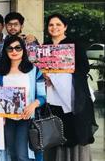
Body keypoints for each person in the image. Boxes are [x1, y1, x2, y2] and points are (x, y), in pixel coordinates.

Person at [42, 14, 97, 161]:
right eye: (51, 25)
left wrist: (62, 75)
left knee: (73, 132)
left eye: (58, 24)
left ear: (65, 27)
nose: (54, 27)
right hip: (53, 99)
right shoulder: (45, 46)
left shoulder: (74, 45)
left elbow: (84, 67)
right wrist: (45, 76)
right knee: (56, 132)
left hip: (72, 97)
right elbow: (39, 68)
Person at [0, 35, 46, 161]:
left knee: (22, 155)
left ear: (23, 49)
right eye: (10, 48)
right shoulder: (0, 73)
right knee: (12, 154)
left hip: (26, 118)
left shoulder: (34, 71)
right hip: (8, 119)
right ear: (5, 51)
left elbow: (42, 96)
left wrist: (33, 105)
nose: (14, 51)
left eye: (18, 48)